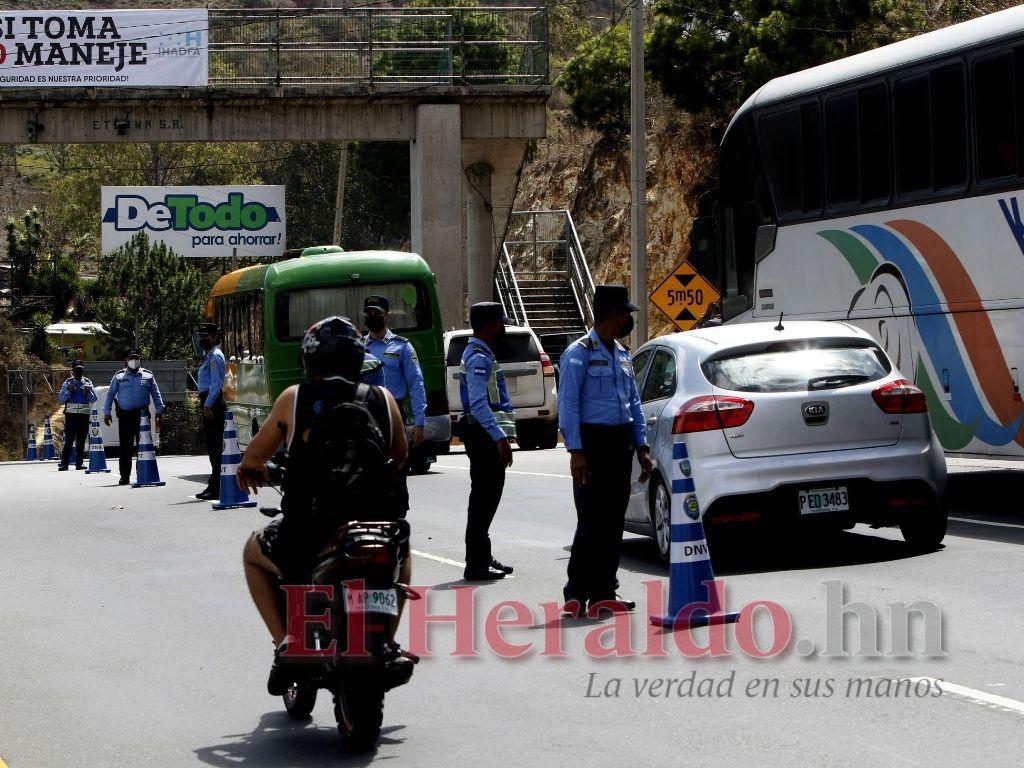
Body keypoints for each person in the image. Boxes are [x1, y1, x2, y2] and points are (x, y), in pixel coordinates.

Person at [237, 316, 412, 695]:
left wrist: (255, 469)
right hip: (375, 527)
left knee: (253, 552)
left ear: (308, 360)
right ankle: (384, 641)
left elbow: (253, 456)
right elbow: (400, 457)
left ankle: (286, 642)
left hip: (309, 529)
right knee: (401, 562)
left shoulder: (294, 399)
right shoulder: (382, 400)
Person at [558, 285, 653, 617]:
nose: (629, 319)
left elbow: (634, 404)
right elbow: (568, 405)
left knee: (613, 520)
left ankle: (603, 592)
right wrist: (575, 450)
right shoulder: (578, 353)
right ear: (613, 316)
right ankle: (576, 593)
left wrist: (641, 446)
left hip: (619, 442)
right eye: (626, 313)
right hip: (591, 443)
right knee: (591, 520)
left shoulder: (624, 355)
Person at [458, 302, 516, 581]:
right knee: (483, 499)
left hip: (484, 435)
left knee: (486, 498)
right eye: (499, 322)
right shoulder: (479, 356)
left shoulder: (480, 353)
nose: (502, 327)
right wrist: (499, 437)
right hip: (483, 437)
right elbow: (480, 404)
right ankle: (476, 563)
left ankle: (482, 556)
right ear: (490, 324)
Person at [362, 295, 427, 449]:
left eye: (376, 313)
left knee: (397, 464)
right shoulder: (358, 347)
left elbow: (416, 383)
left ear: (386, 315)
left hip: (393, 412)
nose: (372, 317)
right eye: (368, 314)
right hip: (364, 412)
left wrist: (420, 422)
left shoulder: (402, 346)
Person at [103, 349, 165, 486]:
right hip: (125, 416)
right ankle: (124, 476)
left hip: (142, 416)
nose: (134, 360)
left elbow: (156, 394)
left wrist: (160, 410)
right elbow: (110, 395)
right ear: (126, 359)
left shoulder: (148, 376)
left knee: (143, 446)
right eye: (132, 357)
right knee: (125, 447)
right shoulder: (119, 376)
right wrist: (106, 412)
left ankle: (143, 474)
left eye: (137, 357)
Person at [195, 323, 227, 501]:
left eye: (206, 336)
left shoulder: (215, 356)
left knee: (215, 446)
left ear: (215, 337)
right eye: (201, 336)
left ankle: (217, 486)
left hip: (212, 403)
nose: (202, 339)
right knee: (212, 446)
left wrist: (207, 405)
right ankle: (213, 484)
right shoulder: (209, 356)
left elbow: (216, 383)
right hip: (209, 401)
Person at [57, 360, 97, 471]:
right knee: (69, 440)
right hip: (71, 416)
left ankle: (79, 463)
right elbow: (60, 400)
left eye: (81, 369)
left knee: (81, 441)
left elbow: (94, 399)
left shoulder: (87, 382)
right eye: (77, 369)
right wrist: (69, 391)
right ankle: (64, 464)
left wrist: (88, 392)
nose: (79, 372)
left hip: (83, 417)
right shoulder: (68, 383)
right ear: (73, 371)